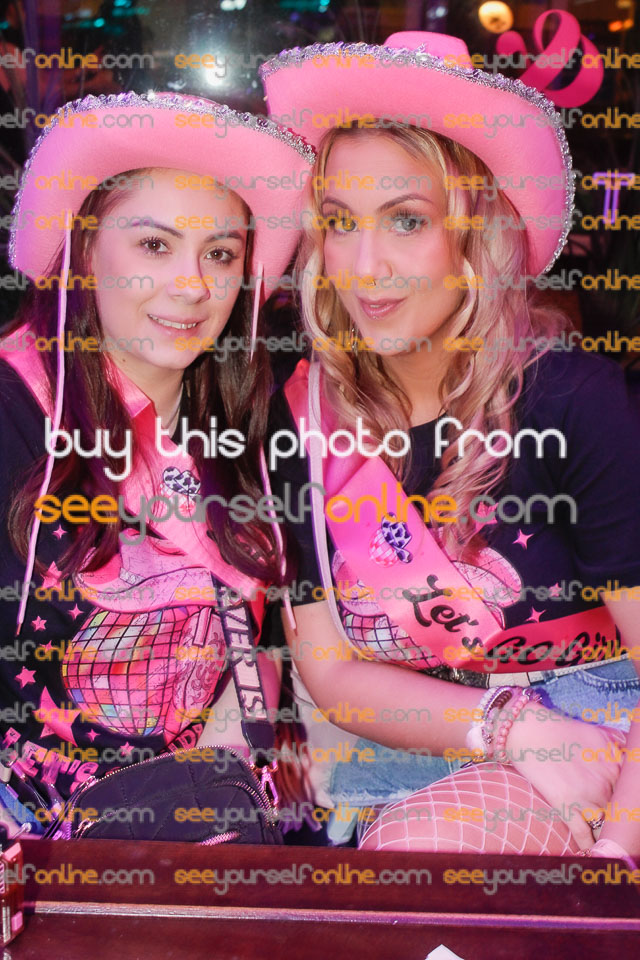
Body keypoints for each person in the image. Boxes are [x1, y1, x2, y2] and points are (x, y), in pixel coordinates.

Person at [261, 32, 640, 856]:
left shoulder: (574, 398)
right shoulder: (300, 420)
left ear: (475, 235)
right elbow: (330, 673)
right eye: (340, 222)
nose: (365, 267)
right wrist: (509, 728)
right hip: (407, 764)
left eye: (407, 220)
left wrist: (613, 865)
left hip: (596, 746)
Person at [0, 90, 314, 836]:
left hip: (198, 827)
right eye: (154, 246)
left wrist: (226, 776)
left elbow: (272, 648)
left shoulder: (257, 424)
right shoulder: (14, 409)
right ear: (85, 250)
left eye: (220, 254)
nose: (192, 285)